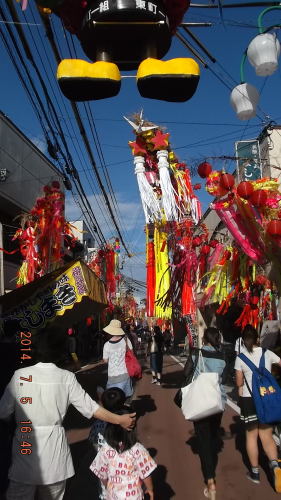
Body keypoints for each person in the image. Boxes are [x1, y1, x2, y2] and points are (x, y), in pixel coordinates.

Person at [0, 328, 136, 500]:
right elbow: (91, 408)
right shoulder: (66, 377)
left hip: (24, 446)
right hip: (54, 453)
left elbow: (3, 412)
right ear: (59, 351)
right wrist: (119, 419)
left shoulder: (20, 376)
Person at [235, 324, 281, 491]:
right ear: (257, 339)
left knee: (251, 436)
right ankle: (275, 466)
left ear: (243, 340)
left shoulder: (240, 358)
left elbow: (239, 382)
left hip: (249, 400)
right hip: (266, 398)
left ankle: (255, 473)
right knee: (267, 435)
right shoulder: (266, 353)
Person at [90, 407, 157, 499]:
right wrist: (150, 490)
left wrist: (106, 486)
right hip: (134, 495)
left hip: (113, 494)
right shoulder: (138, 449)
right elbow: (146, 475)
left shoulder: (104, 449)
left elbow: (102, 475)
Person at [192, 327, 226, 500]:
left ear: (205, 339)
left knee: (203, 442)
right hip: (217, 401)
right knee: (212, 438)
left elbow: (189, 374)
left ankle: (210, 480)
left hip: (200, 402)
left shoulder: (197, 354)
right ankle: (211, 464)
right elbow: (223, 380)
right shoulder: (222, 357)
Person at [89, 387, 127, 500]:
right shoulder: (125, 423)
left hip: (105, 468)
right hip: (123, 470)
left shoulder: (97, 424)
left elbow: (92, 441)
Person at [103, 319, 134, 398]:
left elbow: (105, 360)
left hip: (112, 377)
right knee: (126, 399)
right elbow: (132, 353)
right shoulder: (126, 341)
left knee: (113, 401)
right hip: (125, 374)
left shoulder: (107, 345)